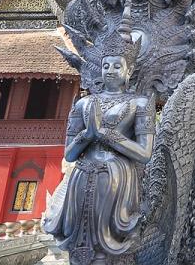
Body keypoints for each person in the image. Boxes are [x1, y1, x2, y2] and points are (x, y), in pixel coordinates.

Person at [42, 42, 155, 265]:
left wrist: (104, 134)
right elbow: (69, 154)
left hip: (116, 178)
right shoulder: (83, 104)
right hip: (82, 177)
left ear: (129, 71)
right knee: (79, 243)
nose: (110, 70)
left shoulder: (140, 103)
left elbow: (144, 153)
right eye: (106, 66)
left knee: (111, 246)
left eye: (116, 66)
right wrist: (86, 135)